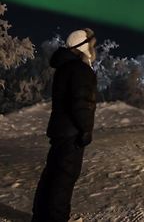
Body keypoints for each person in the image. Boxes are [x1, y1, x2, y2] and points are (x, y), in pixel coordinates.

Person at [32, 28, 98, 222]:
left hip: (60, 131)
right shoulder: (81, 70)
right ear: (84, 47)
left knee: (52, 176)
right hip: (72, 134)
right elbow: (81, 103)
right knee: (63, 181)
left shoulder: (65, 68)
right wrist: (85, 130)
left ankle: (41, 217)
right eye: (92, 45)